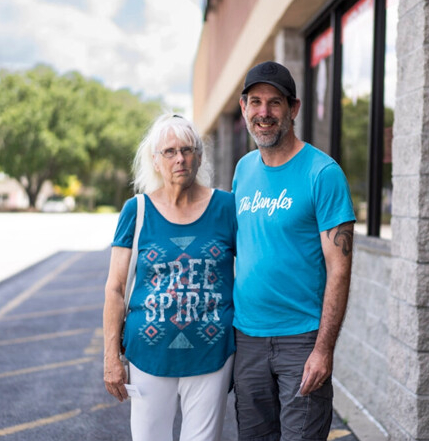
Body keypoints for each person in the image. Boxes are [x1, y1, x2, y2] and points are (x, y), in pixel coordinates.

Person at [232, 61, 355, 440]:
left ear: (294, 109)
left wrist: (323, 350)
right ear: (243, 108)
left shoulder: (323, 173)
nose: (264, 113)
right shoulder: (243, 169)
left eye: (274, 103)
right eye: (255, 102)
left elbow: (340, 269)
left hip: (302, 340)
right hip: (247, 339)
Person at [103, 113, 237, 441]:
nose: (180, 158)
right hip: (149, 354)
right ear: (156, 161)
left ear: (200, 156)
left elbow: (251, 270)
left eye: (188, 149)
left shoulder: (226, 207)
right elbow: (116, 289)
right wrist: (110, 356)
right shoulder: (137, 211)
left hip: (212, 353)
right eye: (169, 152)